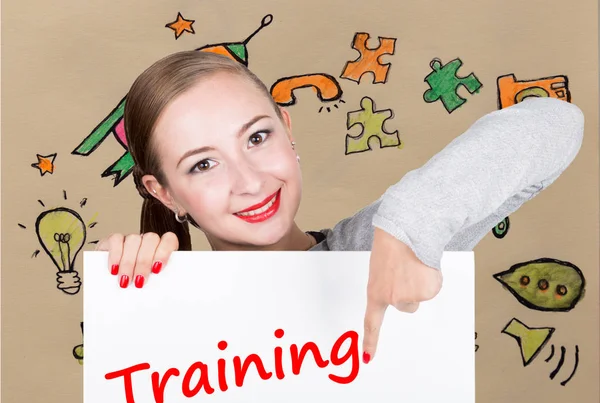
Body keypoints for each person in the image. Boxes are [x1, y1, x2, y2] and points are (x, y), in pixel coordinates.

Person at [96, 50, 584, 364]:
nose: (249, 180)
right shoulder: (167, 307)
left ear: (288, 131)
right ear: (165, 193)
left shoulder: (379, 248)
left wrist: (406, 227)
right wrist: (137, 298)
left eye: (258, 137)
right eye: (203, 164)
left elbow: (557, 122)